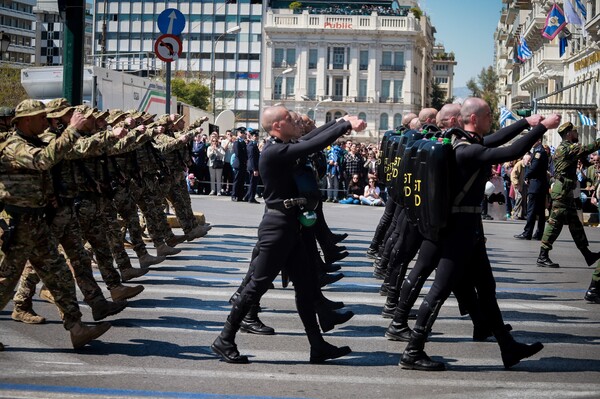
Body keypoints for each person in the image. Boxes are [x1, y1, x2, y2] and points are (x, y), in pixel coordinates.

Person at [399, 97, 560, 371]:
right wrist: (541, 128)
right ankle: (413, 351)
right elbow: (508, 152)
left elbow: (495, 140)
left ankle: (507, 347)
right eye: (487, 115)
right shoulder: (466, 150)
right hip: (458, 232)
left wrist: (526, 122)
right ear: (474, 119)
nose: (491, 119)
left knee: (487, 289)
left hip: (467, 230)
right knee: (439, 290)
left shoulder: (459, 141)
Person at [211, 106, 365, 364]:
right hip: (277, 228)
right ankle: (225, 339)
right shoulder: (273, 152)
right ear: (278, 126)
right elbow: (311, 145)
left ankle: (317, 345)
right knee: (256, 285)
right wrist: (344, 126)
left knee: (306, 287)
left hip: (291, 225)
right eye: (291, 120)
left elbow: (310, 139)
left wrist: (340, 121)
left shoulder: (282, 145)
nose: (297, 122)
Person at [0, 99, 112, 350]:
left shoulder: (33, 141)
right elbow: (42, 161)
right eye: (41, 117)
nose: (45, 121)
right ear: (26, 120)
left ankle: (76, 328)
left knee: (60, 275)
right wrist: (72, 129)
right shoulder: (14, 146)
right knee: (6, 281)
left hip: (37, 223)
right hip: (17, 225)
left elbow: (46, 175)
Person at [536, 122, 600, 269]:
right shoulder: (567, 149)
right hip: (562, 192)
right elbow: (589, 148)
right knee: (554, 223)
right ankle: (543, 255)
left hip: (566, 191)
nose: (577, 134)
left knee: (575, 224)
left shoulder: (565, 148)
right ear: (569, 133)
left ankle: (587, 253)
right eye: (575, 132)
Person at [514, 139, 549, 240]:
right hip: (541, 185)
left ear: (538, 140)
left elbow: (534, 167)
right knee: (541, 211)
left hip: (536, 185)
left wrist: (526, 176)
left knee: (531, 210)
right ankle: (539, 233)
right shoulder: (540, 152)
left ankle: (527, 233)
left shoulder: (539, 152)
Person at [243, 130, 260, 203]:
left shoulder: (253, 144)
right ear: (252, 136)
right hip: (252, 166)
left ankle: (248, 197)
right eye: (255, 136)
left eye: (257, 136)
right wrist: (255, 169)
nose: (256, 137)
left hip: (253, 166)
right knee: (253, 183)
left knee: (253, 183)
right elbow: (252, 158)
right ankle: (251, 198)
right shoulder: (251, 145)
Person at [231, 128, 248, 201]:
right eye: (241, 132)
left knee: (241, 181)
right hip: (239, 163)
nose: (243, 134)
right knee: (237, 180)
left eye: (243, 133)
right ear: (238, 133)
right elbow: (238, 154)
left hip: (243, 164)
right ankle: (234, 195)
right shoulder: (236, 142)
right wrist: (245, 159)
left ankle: (240, 195)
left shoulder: (243, 142)